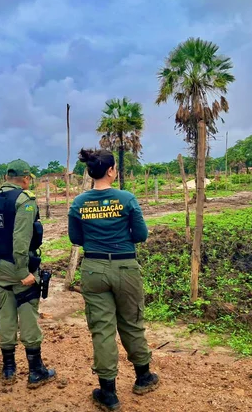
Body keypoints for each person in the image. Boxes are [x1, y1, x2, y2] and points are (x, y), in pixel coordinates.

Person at [68, 149, 159, 411]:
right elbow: (140, 235)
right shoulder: (127, 198)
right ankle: (143, 377)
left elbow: (76, 239)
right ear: (111, 171)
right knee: (131, 323)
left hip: (94, 268)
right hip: (125, 267)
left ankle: (108, 393)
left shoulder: (78, 203)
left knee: (102, 330)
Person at [0, 159, 56, 388]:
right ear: (25, 178)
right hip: (19, 267)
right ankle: (35, 371)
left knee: (6, 315)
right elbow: (21, 241)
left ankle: (8, 369)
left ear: (6, 178)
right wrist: (24, 272)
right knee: (28, 315)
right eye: (29, 179)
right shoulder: (25, 200)